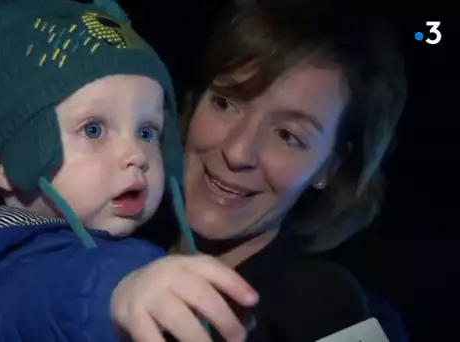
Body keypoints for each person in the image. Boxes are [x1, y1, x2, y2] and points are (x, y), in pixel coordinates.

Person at [0, 0, 257, 341]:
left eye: (147, 131)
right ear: (6, 165)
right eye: (93, 129)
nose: (136, 155)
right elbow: (38, 296)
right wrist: (120, 289)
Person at [135, 0, 409, 340]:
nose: (237, 152)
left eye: (288, 136)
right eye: (226, 103)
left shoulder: (335, 318)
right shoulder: (95, 248)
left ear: (331, 166)